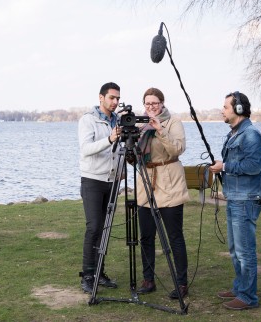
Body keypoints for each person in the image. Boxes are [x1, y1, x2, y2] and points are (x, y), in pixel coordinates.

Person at [209, 91, 261, 310]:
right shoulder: (234, 134)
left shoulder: (251, 134)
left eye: (225, 106)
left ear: (238, 109)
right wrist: (222, 165)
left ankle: (248, 297)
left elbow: (254, 167)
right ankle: (240, 286)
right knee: (235, 249)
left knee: (245, 250)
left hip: (246, 199)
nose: (222, 110)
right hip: (234, 198)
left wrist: (225, 166)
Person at [134, 87, 190, 299]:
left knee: (175, 236)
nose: (151, 107)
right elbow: (135, 154)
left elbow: (177, 149)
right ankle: (148, 280)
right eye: (148, 104)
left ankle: (182, 283)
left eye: (155, 103)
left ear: (162, 103)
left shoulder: (173, 121)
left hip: (170, 181)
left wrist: (160, 130)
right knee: (146, 236)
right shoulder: (140, 123)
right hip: (146, 182)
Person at [78, 82, 122, 293]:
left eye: (117, 99)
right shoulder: (88, 120)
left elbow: (119, 150)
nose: (115, 102)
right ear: (101, 98)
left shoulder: (119, 121)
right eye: (111, 98)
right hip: (92, 180)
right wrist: (110, 138)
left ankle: (99, 272)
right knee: (94, 227)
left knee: (105, 229)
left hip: (112, 181)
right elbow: (86, 149)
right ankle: (87, 275)